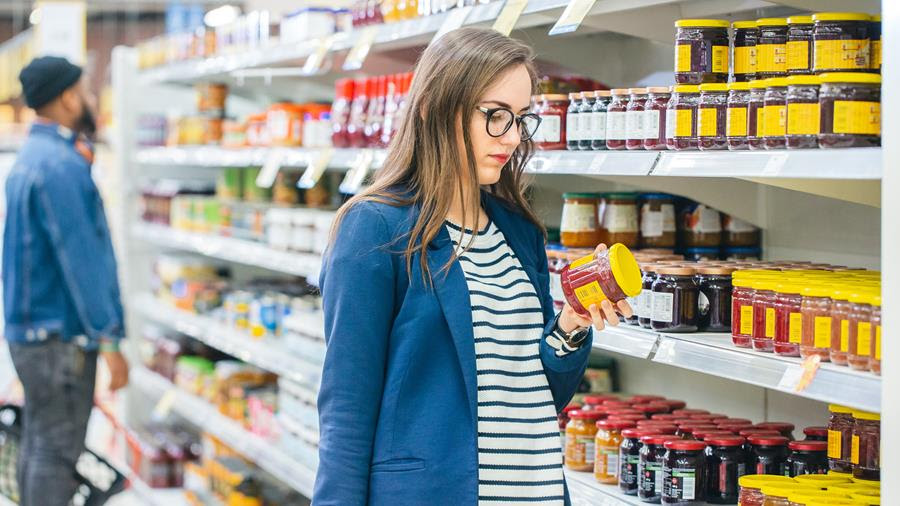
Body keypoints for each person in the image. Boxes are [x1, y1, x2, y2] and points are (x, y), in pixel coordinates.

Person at [314, 28, 631, 506]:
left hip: (536, 493)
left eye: (521, 119)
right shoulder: (376, 227)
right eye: (494, 116)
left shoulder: (519, 230)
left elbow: (531, 395)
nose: (511, 137)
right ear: (433, 108)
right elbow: (346, 408)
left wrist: (569, 326)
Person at [3, 56, 128, 506]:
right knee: (57, 451)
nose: (91, 100)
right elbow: (84, 262)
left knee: (39, 442)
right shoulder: (61, 166)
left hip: (32, 336)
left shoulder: (33, 157)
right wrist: (110, 341)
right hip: (60, 340)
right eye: (87, 91)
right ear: (68, 97)